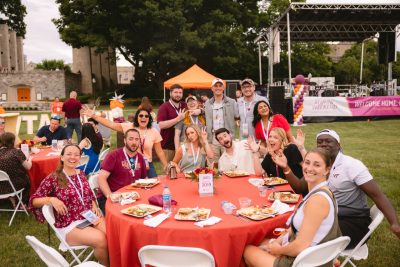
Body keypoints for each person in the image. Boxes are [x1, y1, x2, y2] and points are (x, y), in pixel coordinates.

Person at [273, 129, 400, 248]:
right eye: (320, 142)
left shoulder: (351, 165)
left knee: (304, 234)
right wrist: (286, 168)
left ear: (338, 145)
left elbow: (377, 195)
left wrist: (394, 223)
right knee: (298, 226)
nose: (323, 144)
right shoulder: (321, 165)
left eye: (328, 141)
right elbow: (300, 187)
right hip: (329, 217)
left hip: (353, 222)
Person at [243, 148, 341, 267]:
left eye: (317, 165)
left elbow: (300, 245)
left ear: (327, 170)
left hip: (305, 261)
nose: (309, 168)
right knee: (259, 241)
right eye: (307, 162)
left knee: (247, 250)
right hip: (310, 254)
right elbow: (296, 229)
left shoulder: (318, 200)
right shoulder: (322, 191)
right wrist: (277, 242)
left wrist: (277, 250)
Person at [29, 145, 108, 266]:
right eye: (69, 154)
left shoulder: (81, 173)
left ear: (80, 157)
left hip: (88, 216)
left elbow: (88, 194)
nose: (73, 157)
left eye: (76, 155)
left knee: (112, 233)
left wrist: (94, 205)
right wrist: (51, 199)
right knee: (101, 239)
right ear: (62, 157)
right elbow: (34, 200)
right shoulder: (54, 177)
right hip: (69, 224)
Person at [82, 107, 168, 177]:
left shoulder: (153, 131)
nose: (143, 118)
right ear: (137, 118)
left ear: (149, 119)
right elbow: (111, 124)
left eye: (146, 116)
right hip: (130, 163)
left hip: (147, 164)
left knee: (153, 186)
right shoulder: (129, 126)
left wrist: (166, 166)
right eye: (141, 115)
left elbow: (159, 151)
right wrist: (94, 116)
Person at [97, 129, 147, 213]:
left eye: (136, 139)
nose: (134, 142)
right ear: (125, 140)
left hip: (131, 197)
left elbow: (144, 178)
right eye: (130, 139)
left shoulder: (140, 157)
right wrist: (110, 196)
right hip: (113, 197)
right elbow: (101, 178)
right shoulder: (114, 155)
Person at [204, 78, 239, 162]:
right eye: (215, 86)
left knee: (229, 161)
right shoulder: (207, 103)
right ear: (212, 88)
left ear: (223, 88)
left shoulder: (232, 102)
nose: (218, 88)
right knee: (213, 163)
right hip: (213, 137)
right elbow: (205, 115)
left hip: (226, 136)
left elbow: (238, 116)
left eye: (220, 86)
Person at [157, 84, 188, 161]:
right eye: (176, 92)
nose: (178, 94)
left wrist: (200, 110)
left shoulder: (184, 105)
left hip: (183, 144)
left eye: (180, 93)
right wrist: (177, 119)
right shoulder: (164, 107)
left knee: (181, 170)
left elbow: (197, 108)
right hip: (168, 146)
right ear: (170, 93)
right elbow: (161, 125)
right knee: (169, 170)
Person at [0, 132, 32, 206]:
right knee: (26, 179)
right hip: (14, 185)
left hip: (1, 187)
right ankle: (22, 204)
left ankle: (12, 200)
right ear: (12, 141)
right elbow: (28, 167)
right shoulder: (16, 152)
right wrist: (30, 159)